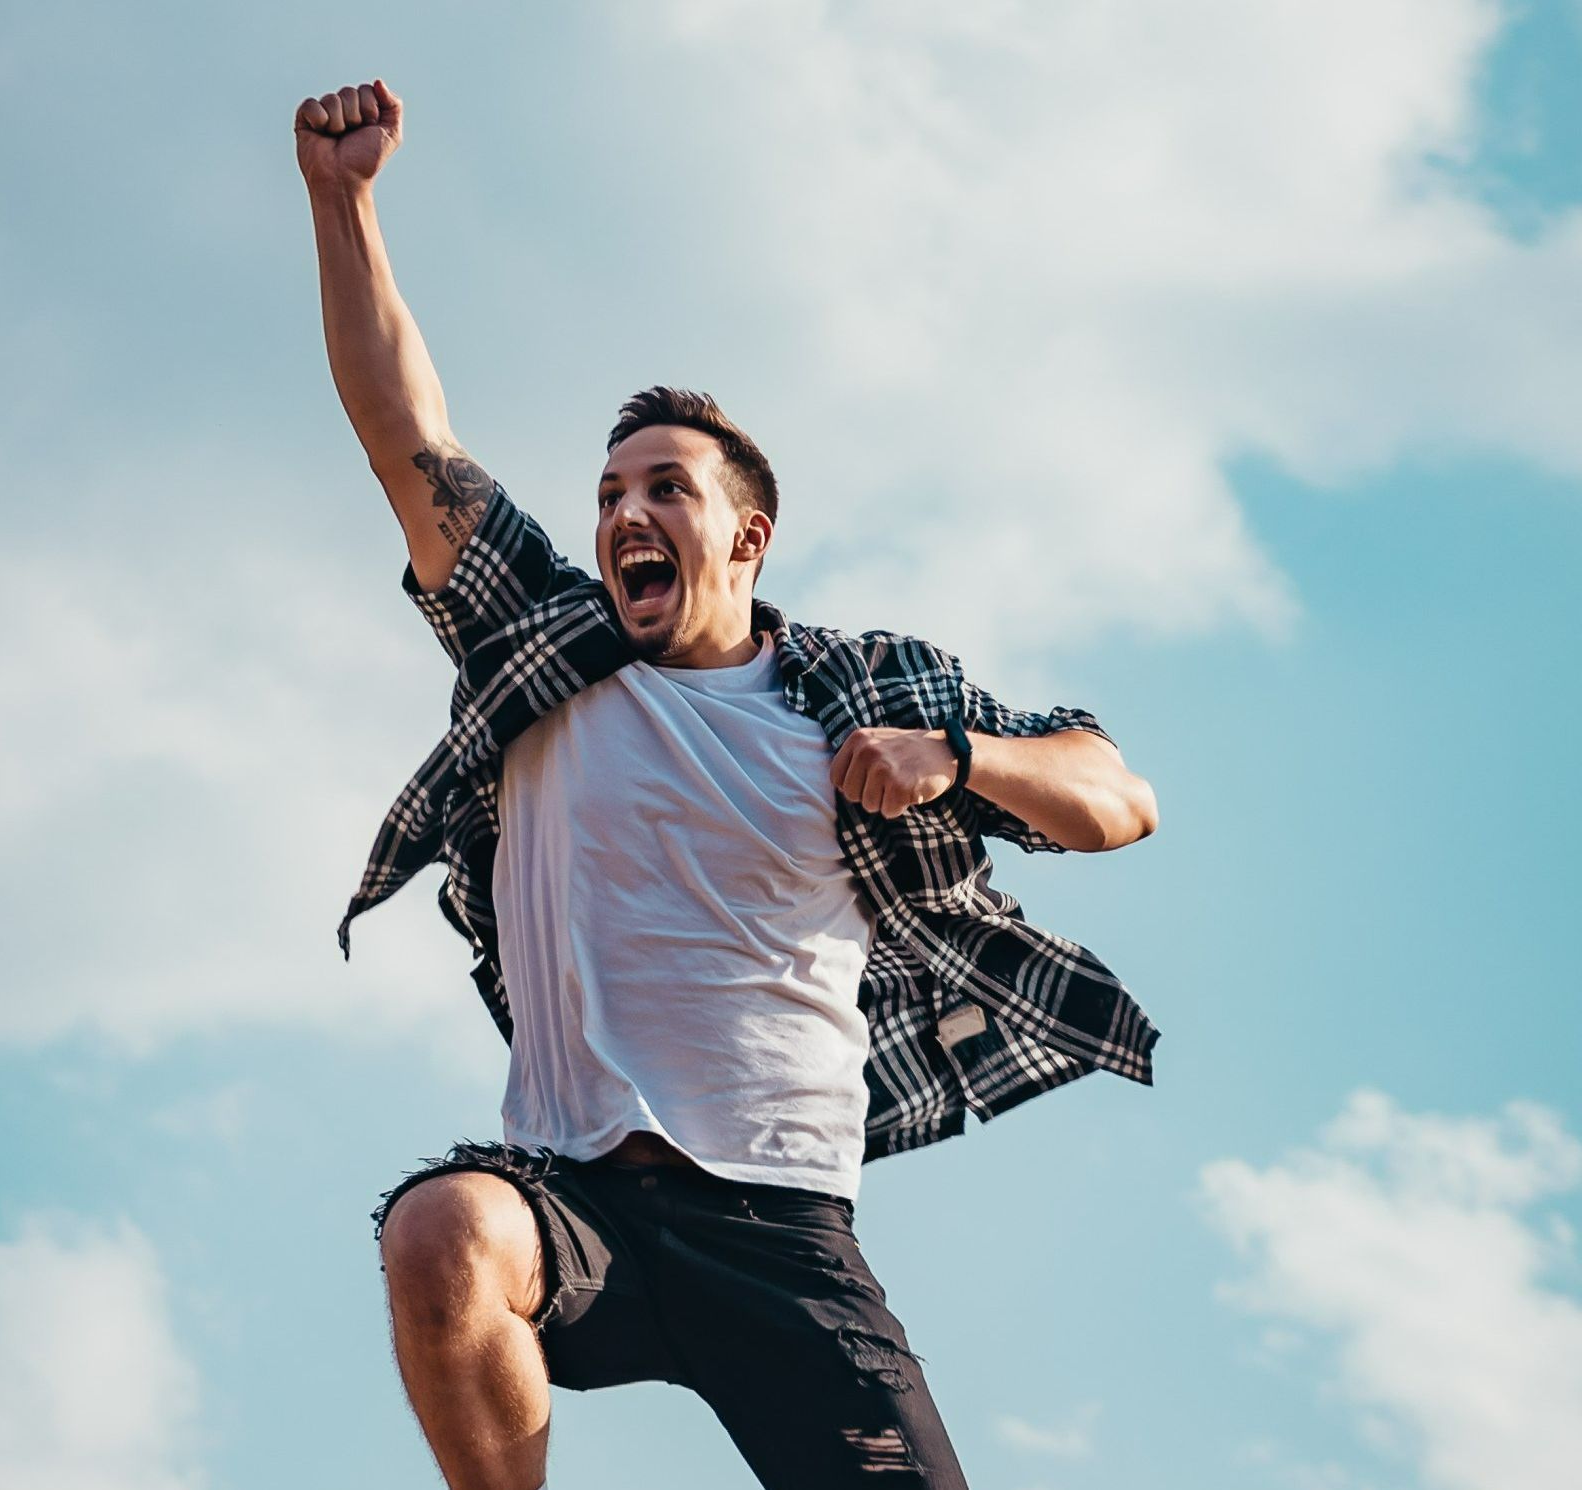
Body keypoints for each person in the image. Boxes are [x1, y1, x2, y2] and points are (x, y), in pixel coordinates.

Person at [298, 78, 1162, 1490]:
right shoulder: (543, 638)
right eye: (609, 492)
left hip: (784, 1232)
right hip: (574, 1198)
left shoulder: (860, 691)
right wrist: (343, 199)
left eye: (665, 489)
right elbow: (409, 437)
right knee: (439, 1233)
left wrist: (953, 759)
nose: (626, 513)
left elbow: (1116, 793)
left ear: (747, 531)